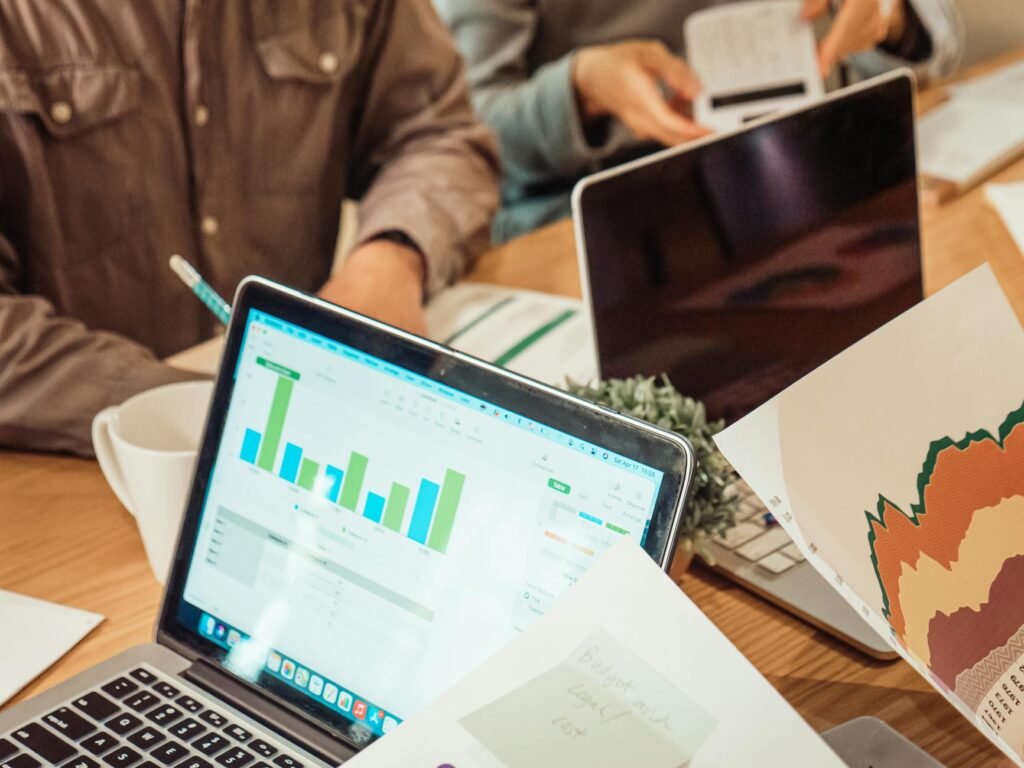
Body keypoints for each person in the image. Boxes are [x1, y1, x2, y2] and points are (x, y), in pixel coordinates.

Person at [0, 0, 500, 456]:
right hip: (87, 470)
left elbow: (437, 133)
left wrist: (390, 257)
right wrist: (182, 398)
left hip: (312, 432)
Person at [435, 0, 964, 242]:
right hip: (606, 220)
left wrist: (890, 20)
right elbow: (462, 134)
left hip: (818, 167)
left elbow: (935, 32)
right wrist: (580, 91)